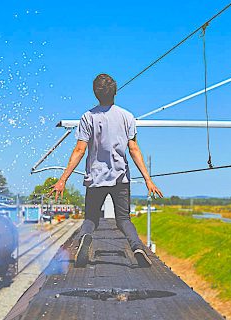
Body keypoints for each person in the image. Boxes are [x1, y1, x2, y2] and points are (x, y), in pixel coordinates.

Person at [49, 73, 163, 267]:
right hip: (120, 178)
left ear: (95, 93)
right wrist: (148, 179)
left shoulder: (88, 117)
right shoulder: (127, 117)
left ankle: (85, 237)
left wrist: (63, 179)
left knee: (91, 218)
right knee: (124, 220)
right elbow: (134, 149)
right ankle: (136, 247)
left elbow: (79, 150)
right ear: (115, 92)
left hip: (96, 178)